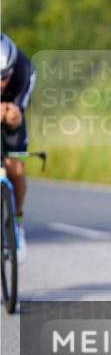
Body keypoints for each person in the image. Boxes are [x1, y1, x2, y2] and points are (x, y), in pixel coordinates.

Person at [1, 33, 36, 262]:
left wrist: (14, 117)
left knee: (16, 170)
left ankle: (17, 224)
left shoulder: (25, 71)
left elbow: (19, 113)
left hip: (10, 119)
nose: (1, 83)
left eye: (5, 76)